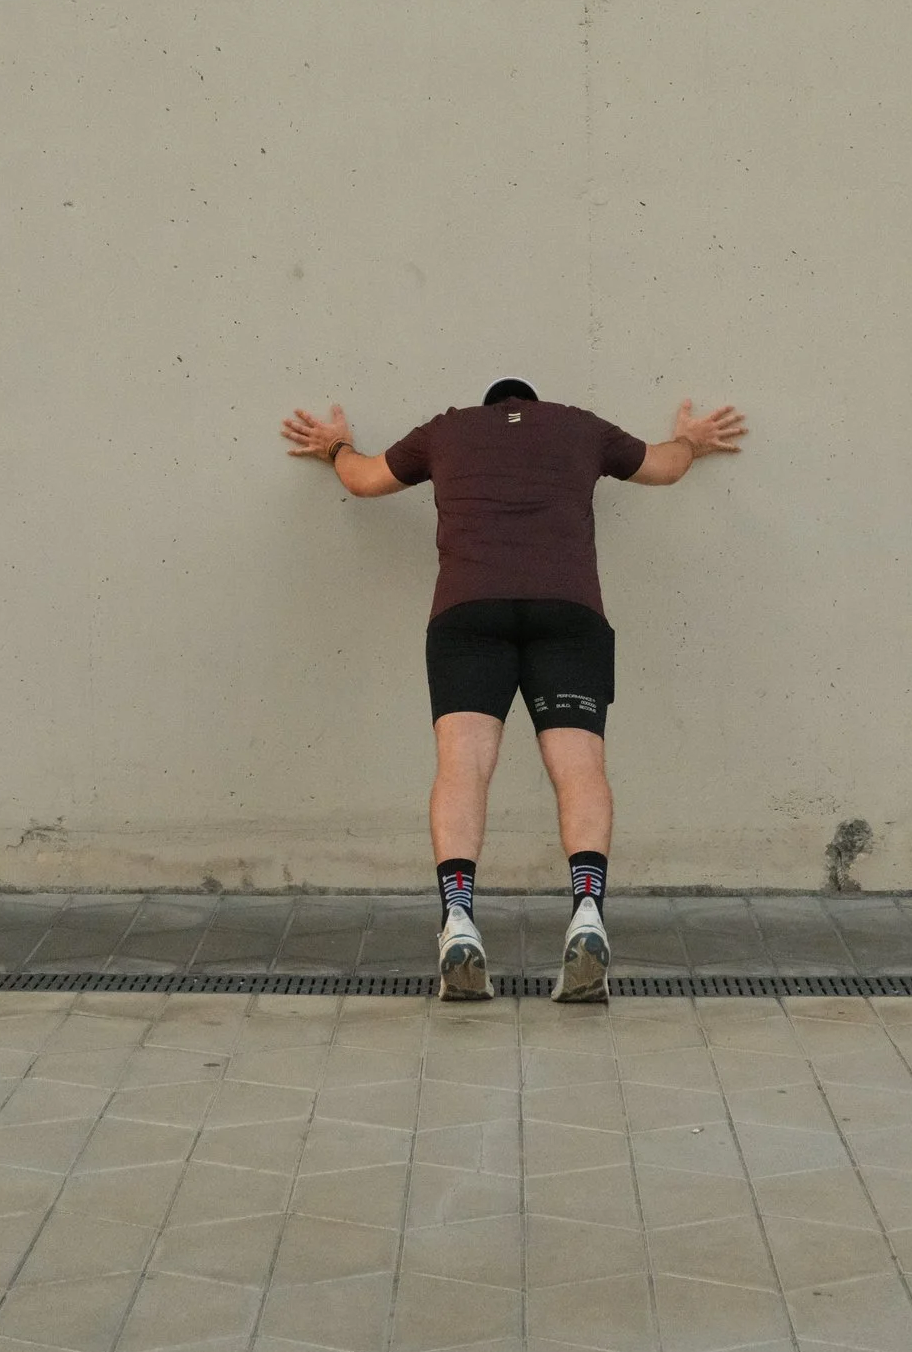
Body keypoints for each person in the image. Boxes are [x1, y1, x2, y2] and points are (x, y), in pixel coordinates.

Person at [280, 378, 747, 1002]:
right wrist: (691, 441)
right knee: (580, 769)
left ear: (491, 405)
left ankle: (459, 920)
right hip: (569, 618)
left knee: (463, 768)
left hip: (469, 618)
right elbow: (663, 467)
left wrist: (335, 447)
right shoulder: (579, 425)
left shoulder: (446, 431)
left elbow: (364, 479)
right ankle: (586, 910)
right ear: (532, 402)